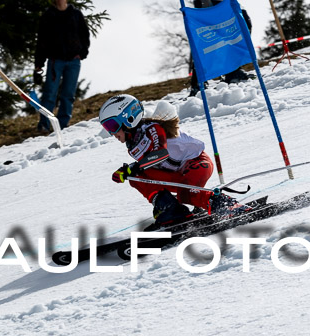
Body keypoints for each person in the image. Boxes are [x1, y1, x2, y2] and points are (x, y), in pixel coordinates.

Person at [99, 94, 244, 229]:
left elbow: (160, 153)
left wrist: (134, 166)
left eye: (112, 126)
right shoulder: (133, 145)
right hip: (177, 172)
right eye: (107, 128)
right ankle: (172, 211)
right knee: (135, 177)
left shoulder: (152, 128)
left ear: (128, 118)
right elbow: (149, 167)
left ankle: (226, 205)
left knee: (186, 193)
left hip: (197, 163)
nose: (112, 133)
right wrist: (128, 171)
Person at [33, 0, 90, 132]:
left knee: (68, 94)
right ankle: (44, 124)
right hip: (55, 61)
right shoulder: (48, 15)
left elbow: (84, 35)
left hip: (74, 61)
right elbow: (41, 41)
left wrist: (82, 52)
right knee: (49, 94)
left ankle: (63, 125)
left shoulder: (76, 14)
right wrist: (38, 65)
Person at [188, 0, 254, 97]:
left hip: (226, 4)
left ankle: (233, 70)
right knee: (208, 43)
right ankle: (198, 84)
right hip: (208, 6)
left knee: (242, 21)